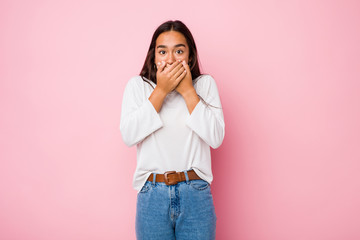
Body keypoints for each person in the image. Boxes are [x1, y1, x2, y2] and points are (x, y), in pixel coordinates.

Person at [119, 20, 225, 240]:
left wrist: (187, 91)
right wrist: (161, 90)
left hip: (195, 192)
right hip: (152, 195)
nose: (170, 59)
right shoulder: (138, 87)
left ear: (190, 56)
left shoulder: (204, 85)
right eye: (162, 51)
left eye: (179, 51)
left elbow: (215, 137)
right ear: (154, 56)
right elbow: (129, 136)